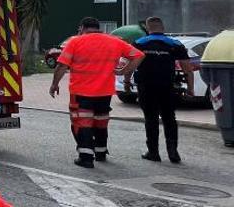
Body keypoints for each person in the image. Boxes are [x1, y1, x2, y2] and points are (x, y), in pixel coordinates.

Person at [49, 17, 145, 168]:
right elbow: (139, 55)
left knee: (82, 123)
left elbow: (61, 66)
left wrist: (54, 84)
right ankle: (100, 152)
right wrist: (125, 70)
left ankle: (86, 157)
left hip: (81, 92)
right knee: (101, 122)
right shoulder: (114, 41)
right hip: (105, 92)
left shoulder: (75, 42)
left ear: (82, 28)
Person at [129, 17, 192, 163]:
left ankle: (153, 152)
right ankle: (173, 152)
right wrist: (190, 88)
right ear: (162, 27)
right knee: (169, 118)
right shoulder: (175, 44)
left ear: (147, 28)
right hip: (168, 86)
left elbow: (131, 64)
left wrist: (126, 81)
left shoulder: (139, 43)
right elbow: (187, 68)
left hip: (146, 86)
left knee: (150, 119)